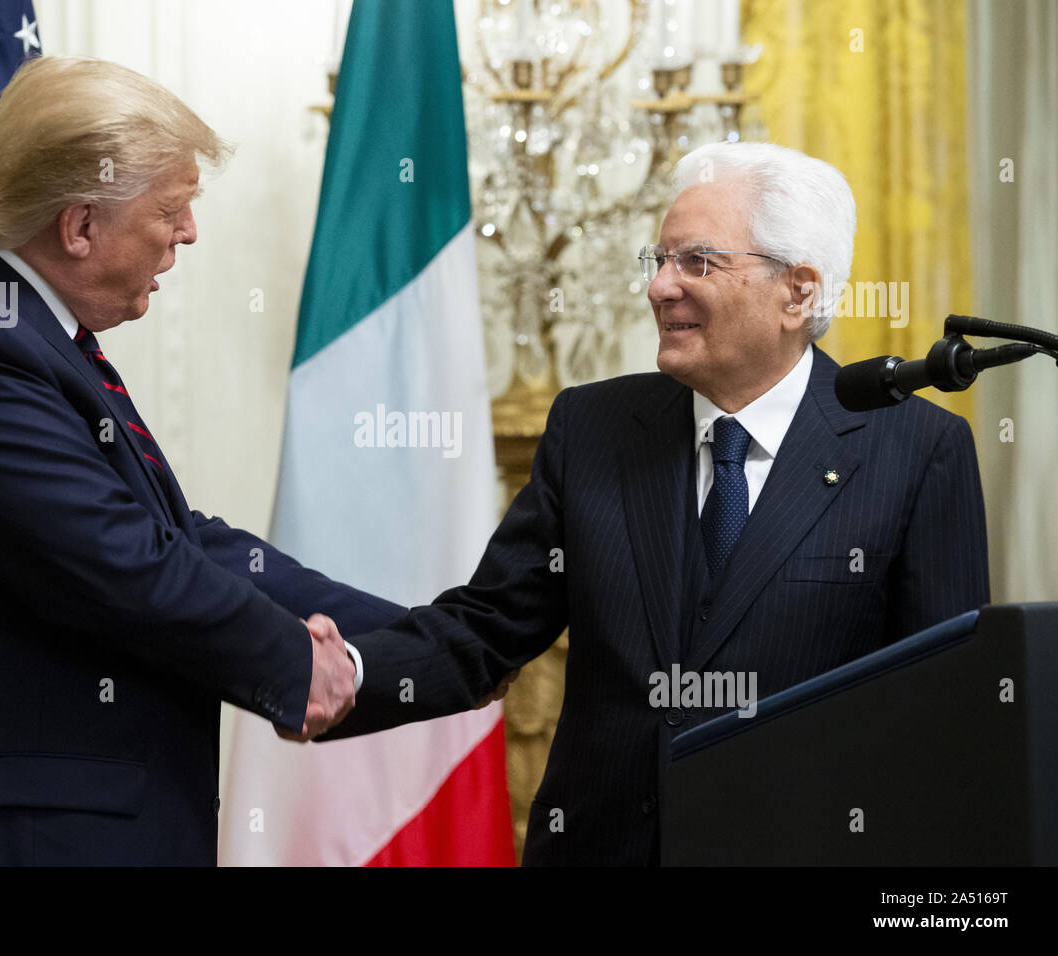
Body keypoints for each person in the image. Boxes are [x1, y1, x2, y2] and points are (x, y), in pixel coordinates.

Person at [0, 56, 402, 866]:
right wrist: (300, 667)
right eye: (173, 208)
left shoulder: (19, 335)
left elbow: (183, 544)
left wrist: (411, 640)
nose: (188, 232)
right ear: (78, 226)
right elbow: (126, 566)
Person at [319, 141, 991, 865]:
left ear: (797, 291)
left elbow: (941, 716)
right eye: (659, 260)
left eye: (697, 261)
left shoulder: (916, 451)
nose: (660, 287)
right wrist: (341, 673)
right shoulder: (593, 429)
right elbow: (488, 628)